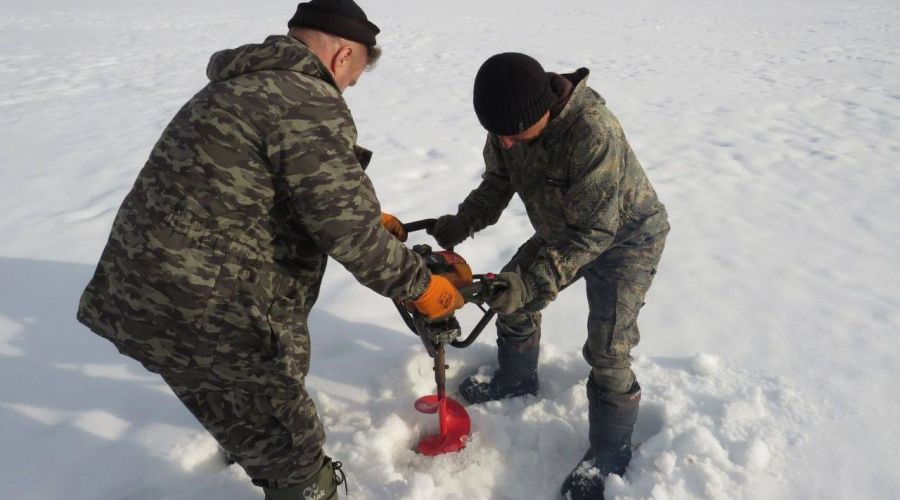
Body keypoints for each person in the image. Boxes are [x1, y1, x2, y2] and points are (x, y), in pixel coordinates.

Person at [76, 1, 463, 499]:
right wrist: (422, 287)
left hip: (139, 293)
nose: (347, 89)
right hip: (211, 310)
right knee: (294, 448)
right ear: (344, 54)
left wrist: (367, 217)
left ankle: (256, 447)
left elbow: (271, 189)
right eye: (354, 78)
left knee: (238, 405)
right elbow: (349, 234)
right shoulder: (305, 100)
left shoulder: (240, 84)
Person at [429, 53, 669, 499]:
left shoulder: (592, 132)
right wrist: (463, 222)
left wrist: (533, 282)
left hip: (626, 240)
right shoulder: (507, 121)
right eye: (497, 134)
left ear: (542, 111)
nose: (504, 142)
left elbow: (596, 233)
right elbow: (498, 183)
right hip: (565, 230)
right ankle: (517, 378)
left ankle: (610, 453)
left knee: (608, 347)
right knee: (511, 292)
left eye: (513, 134)